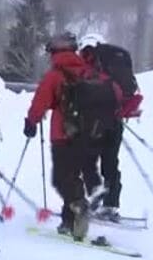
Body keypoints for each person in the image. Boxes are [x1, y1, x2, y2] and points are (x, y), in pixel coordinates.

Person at [24, 32, 122, 239]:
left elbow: (40, 102)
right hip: (89, 136)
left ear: (54, 53)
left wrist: (31, 122)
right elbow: (115, 94)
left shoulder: (55, 75)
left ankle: (80, 207)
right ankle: (68, 223)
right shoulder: (88, 72)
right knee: (74, 177)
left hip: (63, 135)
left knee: (61, 179)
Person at [78, 34, 142, 222]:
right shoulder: (116, 66)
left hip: (95, 124)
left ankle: (94, 196)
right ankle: (111, 205)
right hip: (115, 122)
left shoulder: (93, 67)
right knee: (111, 163)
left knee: (88, 161)